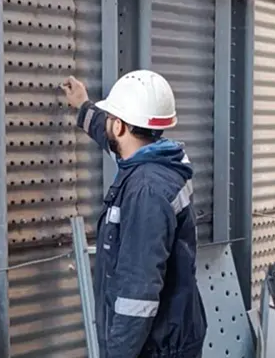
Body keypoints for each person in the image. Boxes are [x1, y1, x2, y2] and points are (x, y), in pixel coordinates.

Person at [61, 70, 207, 358]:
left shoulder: (146, 191)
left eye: (112, 118)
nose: (109, 124)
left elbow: (137, 294)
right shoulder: (160, 160)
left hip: (157, 348)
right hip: (171, 335)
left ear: (120, 127)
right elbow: (114, 142)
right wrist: (84, 107)